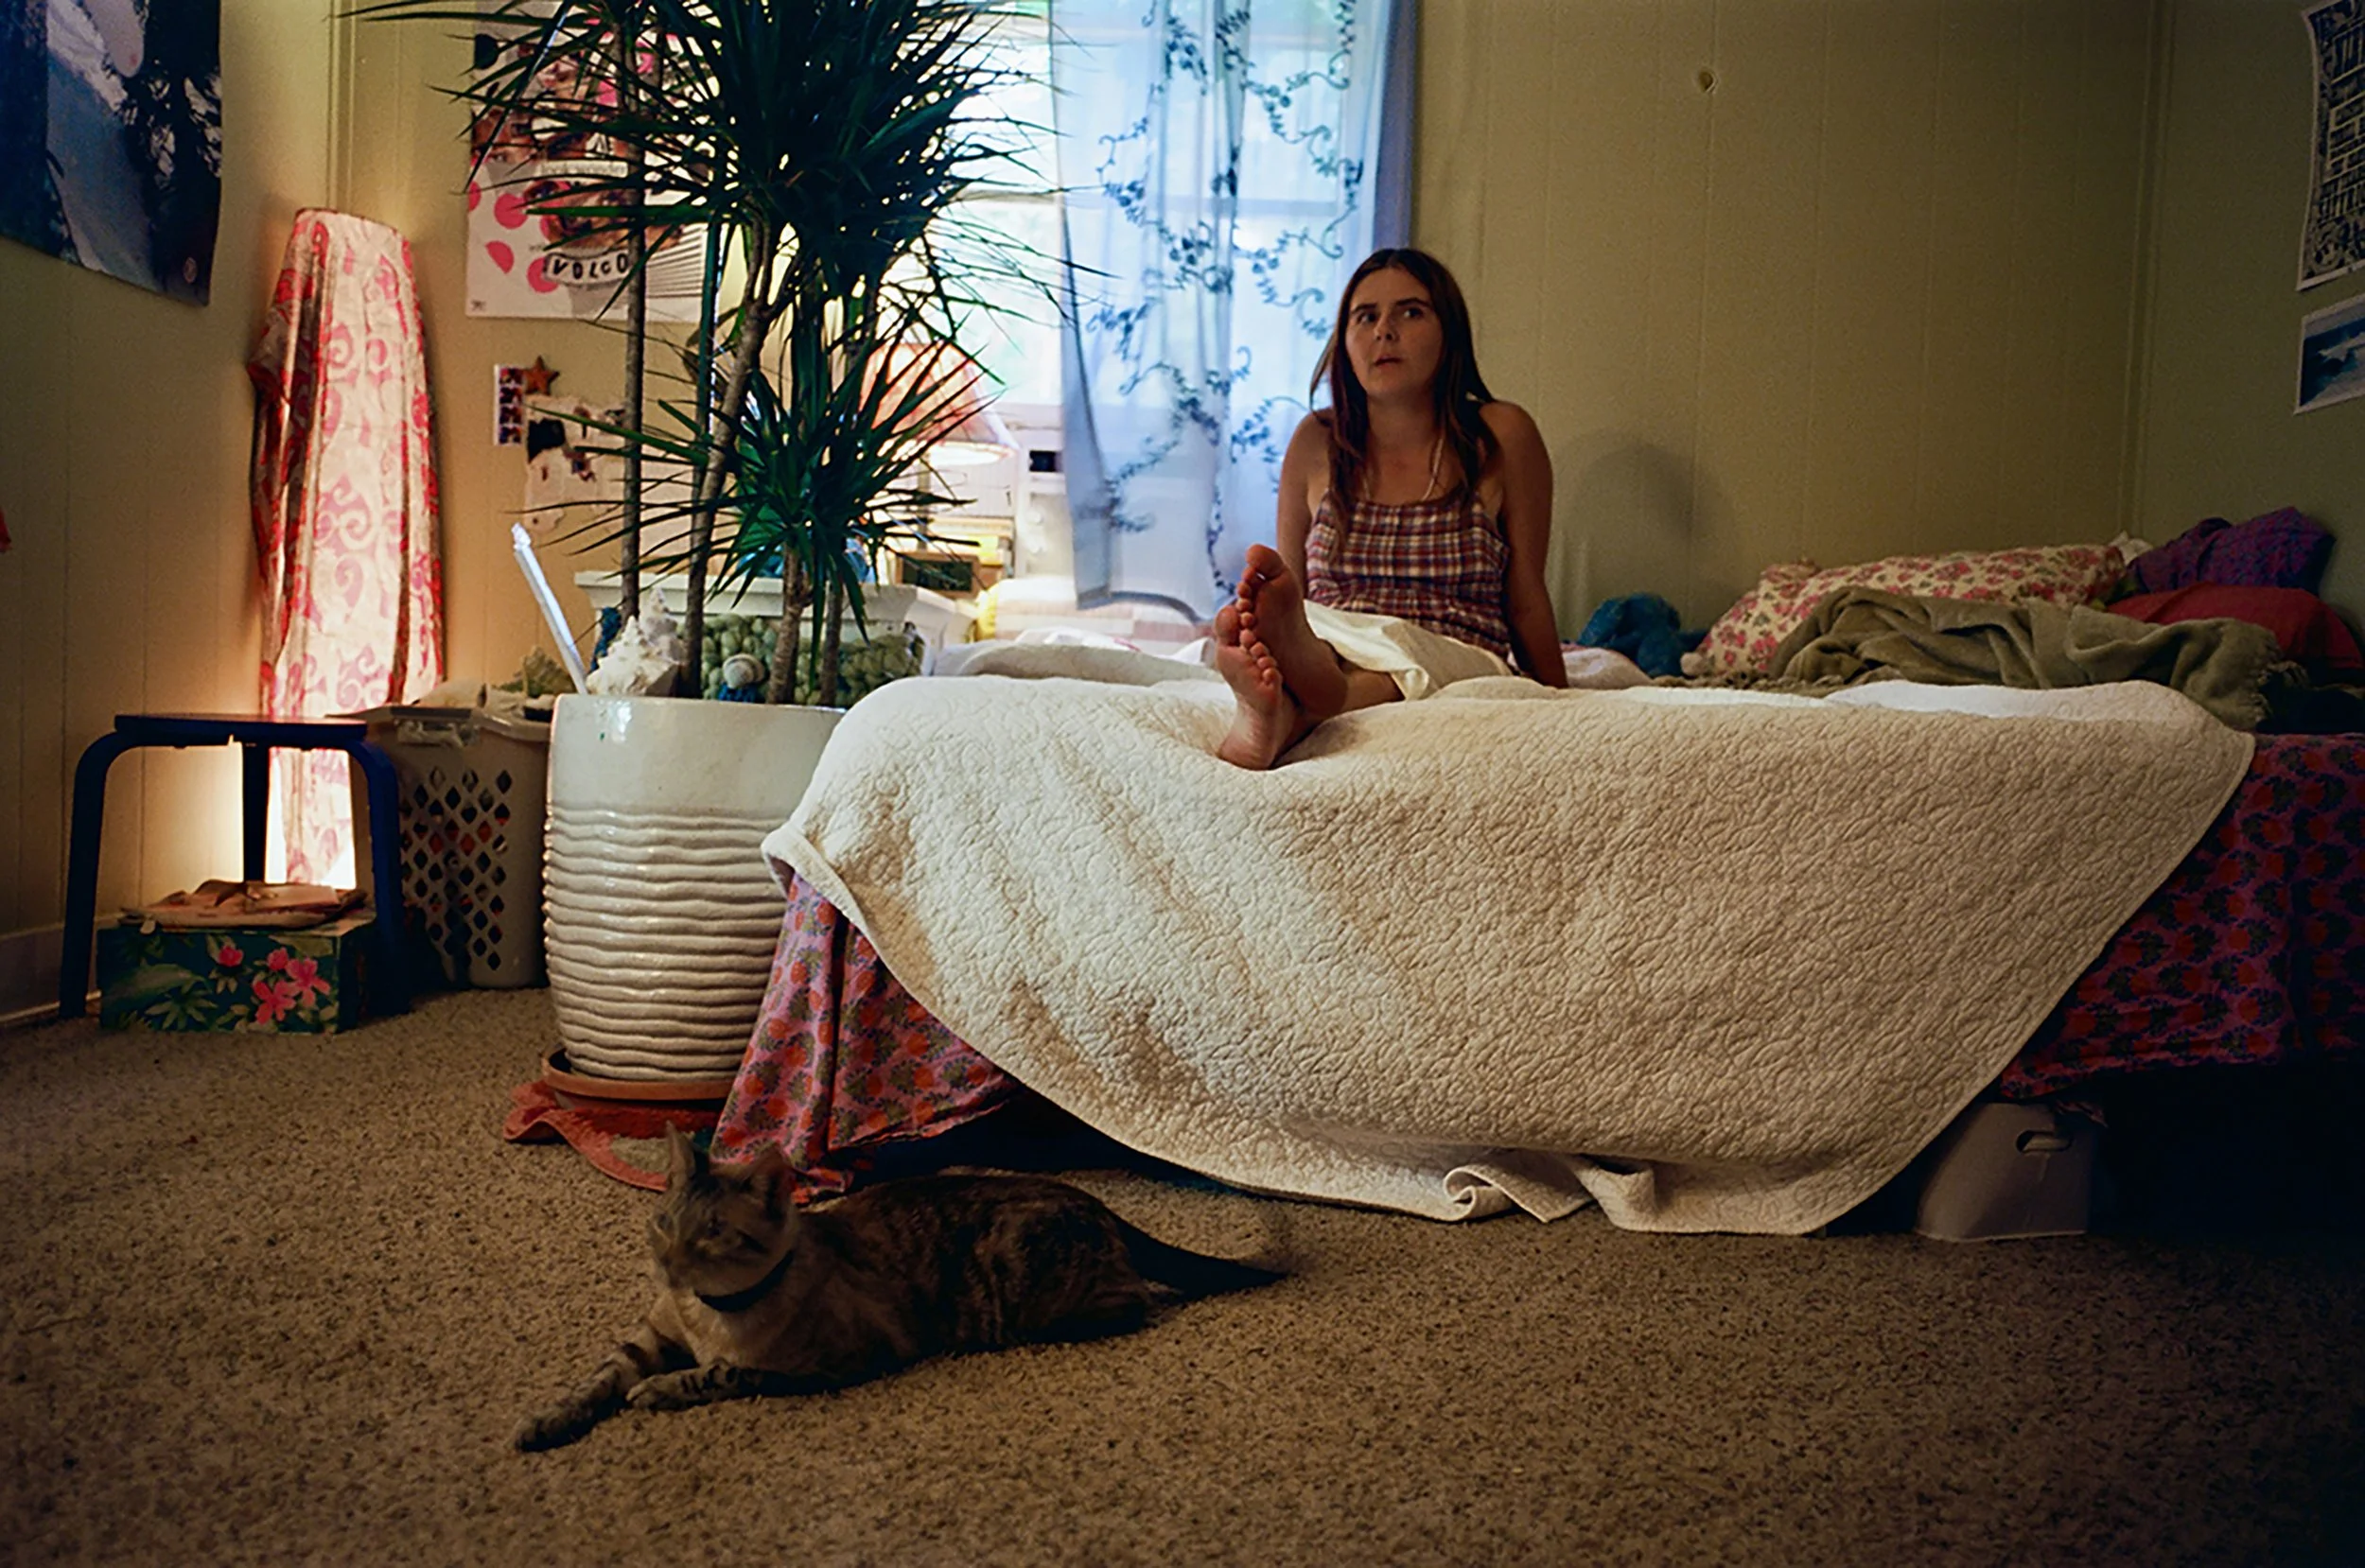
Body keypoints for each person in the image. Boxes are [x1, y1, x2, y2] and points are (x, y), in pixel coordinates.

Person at [1215, 247, 1567, 770]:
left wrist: (1564, 700)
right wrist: (1282, 630)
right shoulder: (1316, 440)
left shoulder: (1502, 434)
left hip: (1455, 649)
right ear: (1346, 340)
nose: (1385, 330)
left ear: (1450, 334)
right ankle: (1289, 701)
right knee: (1315, 637)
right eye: (1366, 316)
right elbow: (1296, 598)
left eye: (1411, 311)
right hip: (1334, 637)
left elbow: (1526, 600)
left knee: (1396, 663)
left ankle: (1298, 711)